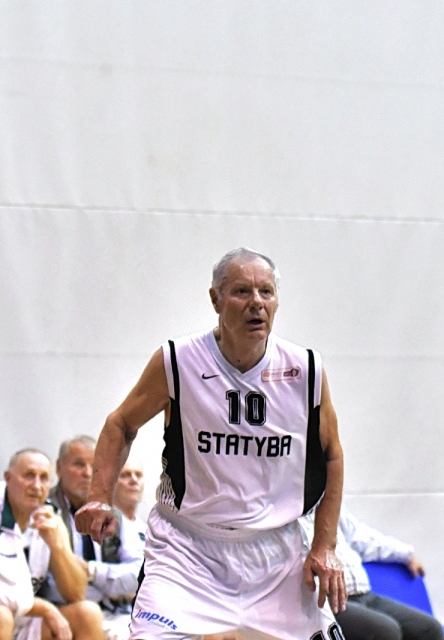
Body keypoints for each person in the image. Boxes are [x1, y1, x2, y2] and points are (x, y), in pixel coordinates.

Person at [73, 247, 348, 640]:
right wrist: (99, 497)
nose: (256, 303)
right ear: (215, 299)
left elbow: (332, 454)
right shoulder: (177, 360)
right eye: (242, 291)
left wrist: (324, 545)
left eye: (266, 292)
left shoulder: (304, 369)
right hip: (187, 550)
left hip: (275, 555)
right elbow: (121, 423)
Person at [46, 437, 143, 639]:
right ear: (59, 468)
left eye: (94, 466)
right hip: (67, 611)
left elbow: (138, 575)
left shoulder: (114, 515)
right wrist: (109, 588)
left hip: (119, 613)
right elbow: (50, 586)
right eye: (78, 464)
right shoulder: (46, 512)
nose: (88, 473)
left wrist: (90, 571)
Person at [1, 448, 101, 640]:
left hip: (23, 619)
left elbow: (76, 594)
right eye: (29, 476)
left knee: (87, 614)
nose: (37, 486)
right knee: (2, 616)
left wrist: (58, 547)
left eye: (44, 478)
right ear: (8, 478)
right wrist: (44, 608)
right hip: (7, 615)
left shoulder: (50, 515)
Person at [301, 513, 443, 640]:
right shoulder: (292, 515)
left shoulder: (328, 506)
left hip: (364, 595)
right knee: (385, 631)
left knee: (429, 629)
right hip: (327, 601)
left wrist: (407, 555)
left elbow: (362, 538)